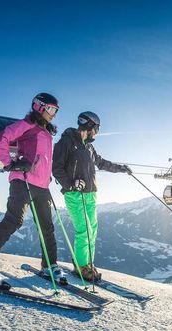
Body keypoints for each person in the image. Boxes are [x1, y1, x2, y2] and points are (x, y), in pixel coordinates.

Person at [0, 93, 62, 286]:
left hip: (41, 185)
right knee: (13, 220)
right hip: (22, 180)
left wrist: (46, 176)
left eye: (56, 111)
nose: (54, 114)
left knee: (46, 226)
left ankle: (49, 265)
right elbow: (1, 138)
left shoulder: (46, 131)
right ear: (39, 107)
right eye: (51, 109)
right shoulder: (27, 125)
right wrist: (9, 163)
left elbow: (43, 158)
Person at [52, 111, 132, 281]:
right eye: (97, 129)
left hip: (90, 194)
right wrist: (71, 184)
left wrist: (121, 168)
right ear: (90, 126)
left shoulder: (88, 147)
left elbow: (101, 163)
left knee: (92, 231)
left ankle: (88, 264)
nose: (96, 133)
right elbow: (56, 168)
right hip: (75, 194)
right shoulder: (66, 142)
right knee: (84, 230)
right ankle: (81, 266)